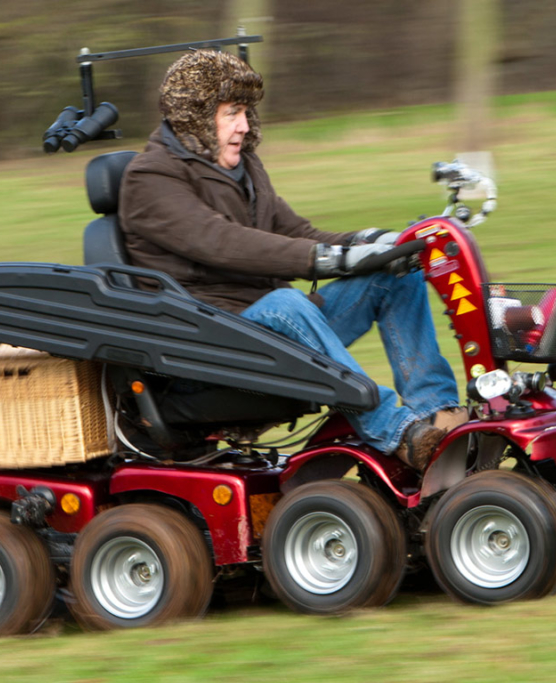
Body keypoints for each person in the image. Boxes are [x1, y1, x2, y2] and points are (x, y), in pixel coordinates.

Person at [119, 50, 466, 470]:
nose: (244, 126)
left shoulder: (244, 168)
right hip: (210, 348)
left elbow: (298, 232)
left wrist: (375, 243)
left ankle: (437, 414)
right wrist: (328, 260)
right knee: (288, 305)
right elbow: (223, 242)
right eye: (232, 113)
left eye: (245, 112)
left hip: (272, 334)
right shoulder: (150, 179)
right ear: (194, 115)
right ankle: (399, 433)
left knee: (395, 274)